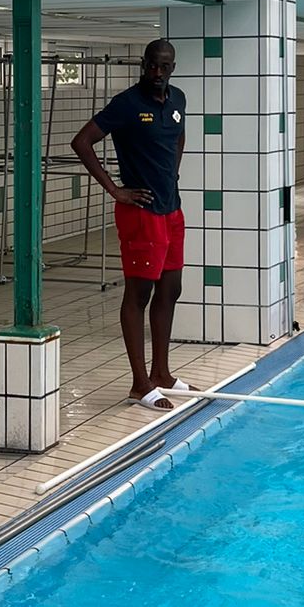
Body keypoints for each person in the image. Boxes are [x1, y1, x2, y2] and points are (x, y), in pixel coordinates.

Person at [72, 39, 189, 410]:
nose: (157, 73)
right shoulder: (127, 104)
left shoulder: (177, 100)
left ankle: (162, 374)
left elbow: (178, 135)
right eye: (152, 66)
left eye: (164, 67)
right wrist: (115, 191)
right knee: (138, 295)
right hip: (141, 213)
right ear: (143, 65)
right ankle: (140, 384)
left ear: (173, 67)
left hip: (171, 210)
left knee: (170, 290)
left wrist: (172, 174)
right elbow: (82, 142)